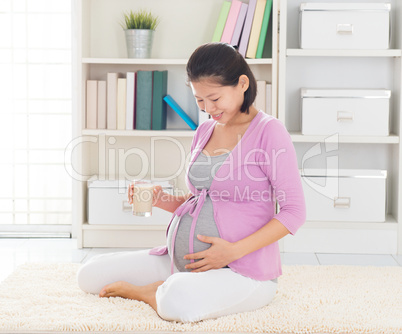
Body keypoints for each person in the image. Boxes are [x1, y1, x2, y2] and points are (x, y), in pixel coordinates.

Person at [77, 42, 306, 323]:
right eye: (200, 100)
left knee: (177, 299)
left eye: (215, 98)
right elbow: (201, 201)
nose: (208, 109)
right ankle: (166, 285)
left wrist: (231, 252)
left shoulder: (270, 132)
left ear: (242, 84)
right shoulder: (205, 130)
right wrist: (161, 200)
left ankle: (150, 293)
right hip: (182, 261)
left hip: (243, 271)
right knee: (89, 275)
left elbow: (294, 212)